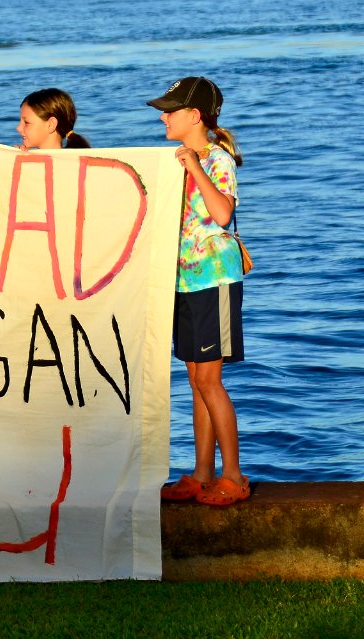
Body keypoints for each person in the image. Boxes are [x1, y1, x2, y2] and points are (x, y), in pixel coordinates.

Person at [148, 76, 248, 506]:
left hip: (214, 280)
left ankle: (234, 477)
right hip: (183, 282)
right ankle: (202, 473)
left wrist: (194, 168)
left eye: (170, 110)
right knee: (195, 380)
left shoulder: (217, 158)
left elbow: (222, 214)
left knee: (209, 379)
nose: (163, 117)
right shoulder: (176, 158)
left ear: (195, 116)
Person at [0, 88, 90, 150]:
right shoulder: (24, 160)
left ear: (51, 125)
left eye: (27, 122)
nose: (18, 128)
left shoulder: (71, 167)